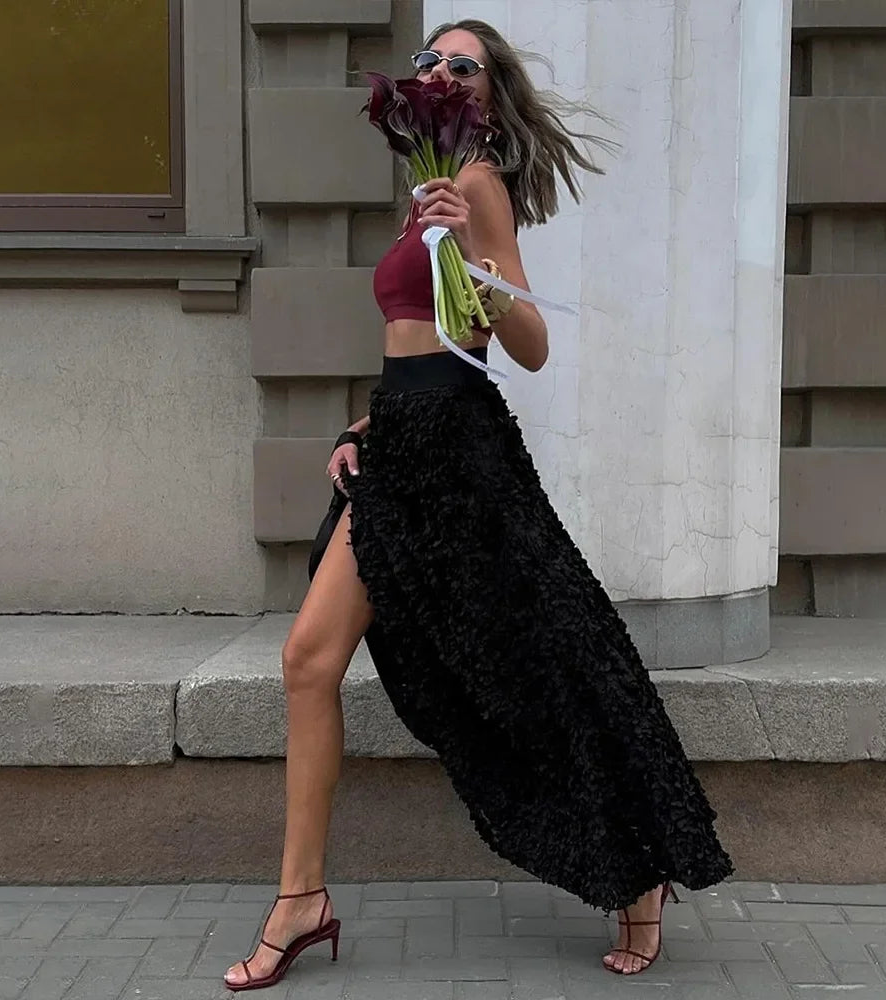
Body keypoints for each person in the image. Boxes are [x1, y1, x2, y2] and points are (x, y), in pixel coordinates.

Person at [223, 18, 733, 992]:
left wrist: (471, 251)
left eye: (465, 64)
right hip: (402, 441)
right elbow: (421, 345)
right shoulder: (425, 190)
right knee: (307, 661)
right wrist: (365, 425)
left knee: (546, 660)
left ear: (489, 97)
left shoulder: (479, 187)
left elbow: (528, 344)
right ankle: (301, 900)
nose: (442, 71)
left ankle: (639, 869)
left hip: (462, 457)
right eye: (431, 60)